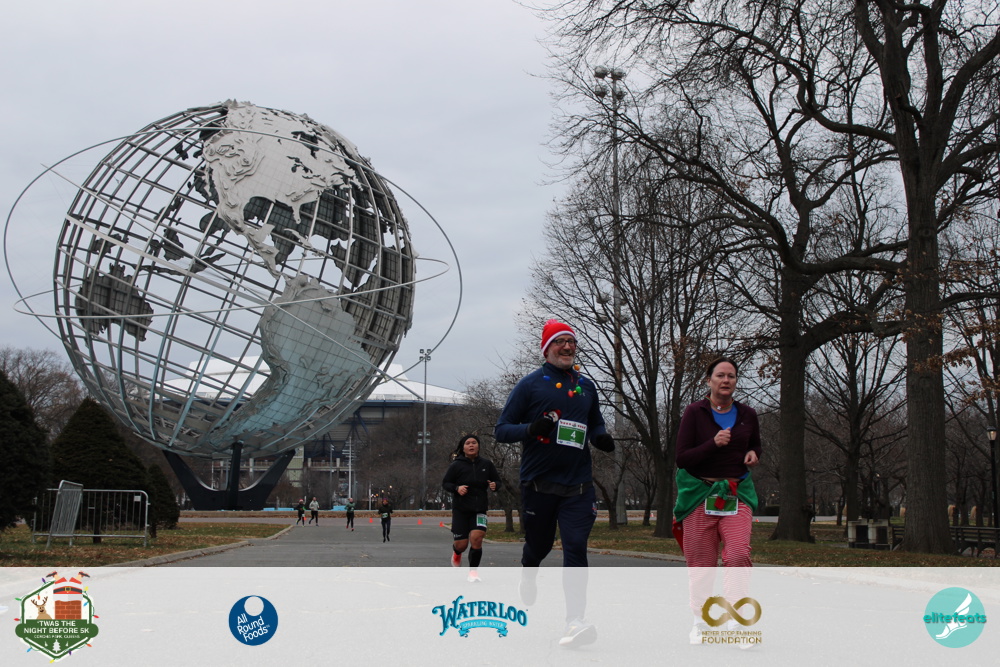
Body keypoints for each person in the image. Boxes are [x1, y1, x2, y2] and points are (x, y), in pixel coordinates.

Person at [495, 319, 614, 647]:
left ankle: (574, 621)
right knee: (540, 546)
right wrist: (530, 429)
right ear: (547, 348)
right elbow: (502, 430)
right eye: (560, 341)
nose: (567, 347)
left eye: (571, 342)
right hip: (539, 485)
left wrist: (601, 437)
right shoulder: (530, 385)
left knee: (575, 547)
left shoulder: (586, 386)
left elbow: (596, 422)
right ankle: (528, 570)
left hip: (578, 486)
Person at [673, 357, 761, 647]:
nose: (726, 380)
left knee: (737, 555)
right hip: (700, 493)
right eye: (720, 375)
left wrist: (753, 454)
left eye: (731, 376)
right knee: (702, 563)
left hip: (736, 493)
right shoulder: (694, 412)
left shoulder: (748, 414)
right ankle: (700, 621)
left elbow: (755, 445)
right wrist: (713, 444)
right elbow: (682, 458)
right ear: (708, 380)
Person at [442, 434, 501, 582]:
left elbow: (497, 480)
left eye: (474, 442)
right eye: (468, 443)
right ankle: (457, 553)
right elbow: (446, 483)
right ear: (463, 448)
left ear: (478, 446)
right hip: (461, 510)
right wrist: (457, 488)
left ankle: (473, 572)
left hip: (479, 509)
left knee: (477, 539)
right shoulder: (456, 465)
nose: (471, 445)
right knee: (462, 545)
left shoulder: (487, 464)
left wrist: (495, 485)